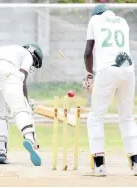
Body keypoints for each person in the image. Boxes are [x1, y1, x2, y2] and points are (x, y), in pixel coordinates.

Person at [83, 4, 137, 176]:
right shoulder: (122, 21)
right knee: (127, 117)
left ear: (96, 14)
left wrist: (89, 75)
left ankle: (99, 165)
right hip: (128, 70)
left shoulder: (94, 20)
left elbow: (88, 52)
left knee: (96, 117)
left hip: (107, 70)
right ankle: (135, 162)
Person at [0, 44, 43, 166]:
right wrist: (26, 102)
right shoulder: (27, 55)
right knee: (20, 108)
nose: (33, 64)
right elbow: (22, 79)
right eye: (35, 61)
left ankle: (1, 152)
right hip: (6, 70)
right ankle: (30, 141)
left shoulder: (7, 49)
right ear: (33, 53)